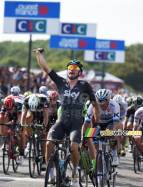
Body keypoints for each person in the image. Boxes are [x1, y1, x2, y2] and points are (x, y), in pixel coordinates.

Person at [35, 48, 100, 187]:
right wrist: (38, 54)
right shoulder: (61, 82)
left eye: (75, 68)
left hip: (76, 123)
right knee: (49, 143)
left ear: (79, 72)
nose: (72, 70)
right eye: (70, 67)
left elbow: (95, 105)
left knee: (74, 147)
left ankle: (75, 172)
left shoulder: (85, 85)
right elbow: (45, 68)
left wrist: (97, 123)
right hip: (62, 120)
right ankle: (51, 173)